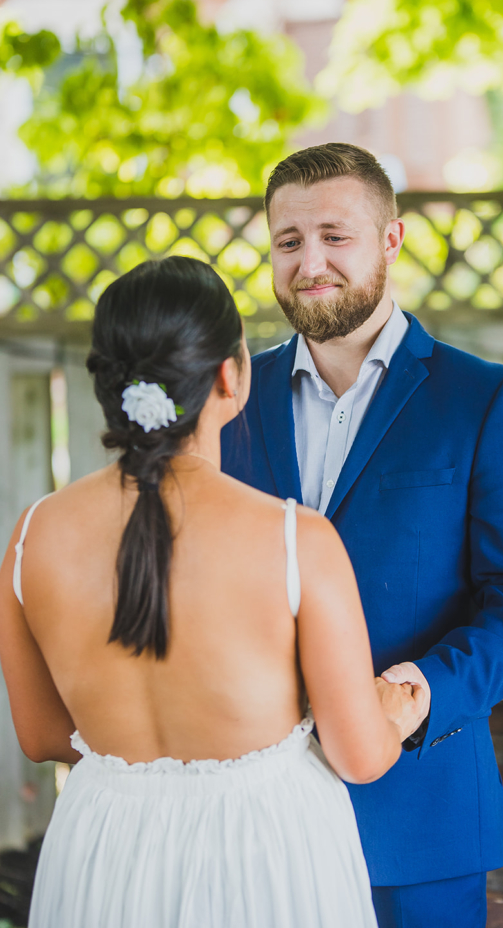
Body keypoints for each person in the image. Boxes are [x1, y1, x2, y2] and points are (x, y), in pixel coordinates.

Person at [0, 256, 424, 928]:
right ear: (232, 374)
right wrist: (398, 710)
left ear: (107, 384)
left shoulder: (32, 538)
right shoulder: (294, 539)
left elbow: (44, 733)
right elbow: (359, 755)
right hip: (262, 855)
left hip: (105, 854)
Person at [221, 142, 503, 928]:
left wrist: (417, 696)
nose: (310, 262)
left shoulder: (486, 401)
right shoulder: (229, 400)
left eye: (334, 236)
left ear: (390, 240)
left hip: (419, 818)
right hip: (251, 818)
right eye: (288, 241)